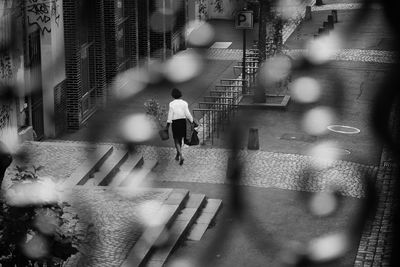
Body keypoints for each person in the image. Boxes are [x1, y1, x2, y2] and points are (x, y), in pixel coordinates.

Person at [166, 88, 194, 165]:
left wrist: (167, 126)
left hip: (175, 123)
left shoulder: (171, 104)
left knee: (176, 140)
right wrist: (192, 121)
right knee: (180, 139)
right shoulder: (184, 103)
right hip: (183, 122)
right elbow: (187, 113)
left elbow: (170, 115)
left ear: (173, 95)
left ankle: (180, 155)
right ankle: (177, 155)